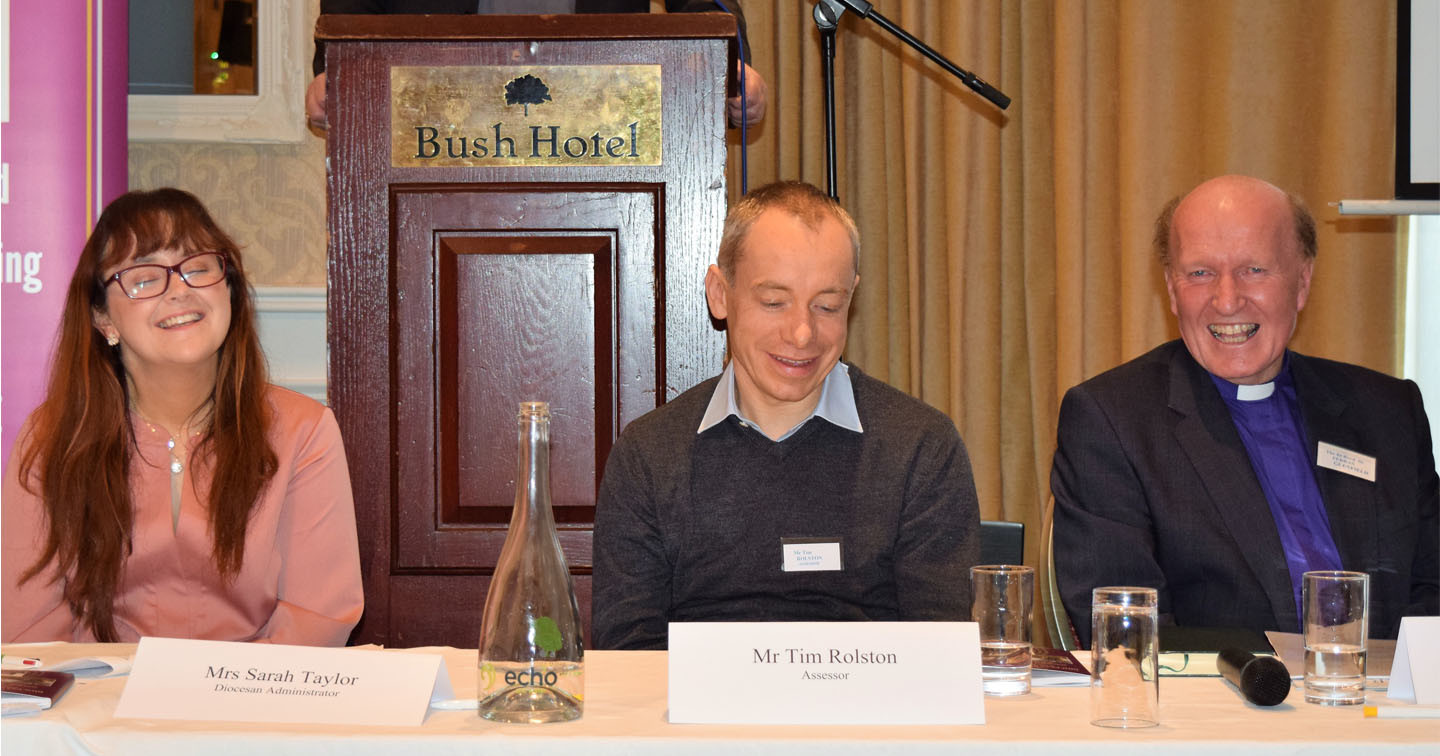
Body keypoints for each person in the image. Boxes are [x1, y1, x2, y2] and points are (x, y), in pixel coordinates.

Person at [591, 180, 981, 649]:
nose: (802, 333)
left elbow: (939, 652)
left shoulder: (921, 448)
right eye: (774, 302)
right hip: (702, 718)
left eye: (827, 305)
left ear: (851, 298)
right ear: (720, 294)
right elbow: (628, 653)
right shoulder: (649, 454)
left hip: (864, 717)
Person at [1051, 174, 1438, 646]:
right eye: (1200, 273)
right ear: (1171, 291)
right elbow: (1128, 633)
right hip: (1226, 708)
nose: (1228, 299)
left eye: (1255, 269)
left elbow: (1432, 587)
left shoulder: (1388, 411)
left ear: (1302, 281)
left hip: (1390, 707)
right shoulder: (1112, 420)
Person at [2, 189, 364, 646]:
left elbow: (319, 614)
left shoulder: (303, 431)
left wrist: (225, 704)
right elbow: (32, 630)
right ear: (102, 318)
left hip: (258, 700)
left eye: (198, 268)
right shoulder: (53, 438)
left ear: (229, 291)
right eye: (145, 276)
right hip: (99, 705)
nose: (179, 290)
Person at [306, 0, 768, 130]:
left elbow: (707, 4)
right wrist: (333, 73)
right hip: (433, 121)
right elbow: (350, 10)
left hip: (600, 128)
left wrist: (731, 66)